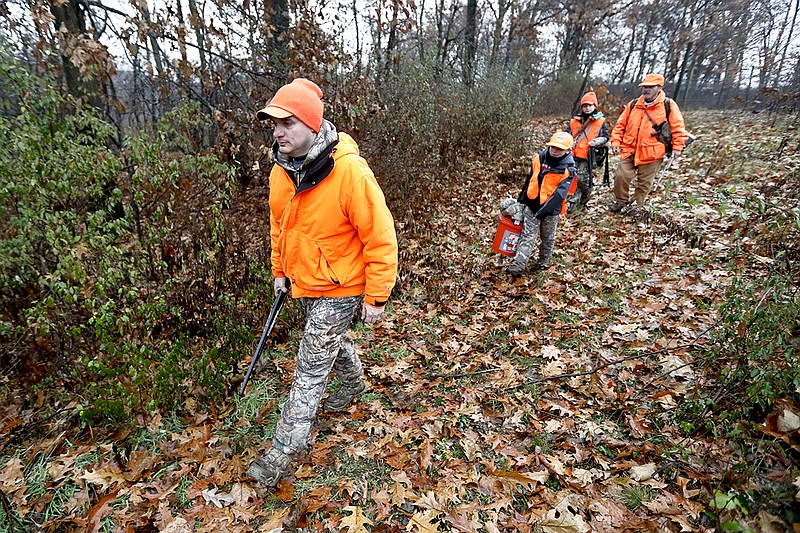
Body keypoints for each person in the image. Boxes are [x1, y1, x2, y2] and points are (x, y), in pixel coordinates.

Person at [248, 78, 398, 487]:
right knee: (331, 342)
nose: (277, 132)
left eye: (287, 123)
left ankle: (283, 452)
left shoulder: (349, 171)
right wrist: (279, 270)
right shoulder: (281, 171)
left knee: (310, 366)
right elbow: (279, 227)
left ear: (313, 125)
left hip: (343, 285)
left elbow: (380, 235)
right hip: (304, 281)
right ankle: (353, 384)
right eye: (273, 124)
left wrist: (377, 294)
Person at [609, 73, 689, 212]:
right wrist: (616, 141)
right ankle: (620, 202)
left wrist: (677, 146)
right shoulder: (633, 104)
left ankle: (636, 207)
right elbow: (620, 125)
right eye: (645, 86)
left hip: (652, 152)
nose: (646, 89)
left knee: (644, 184)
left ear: (659, 87)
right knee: (621, 176)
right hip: (630, 149)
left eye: (650, 87)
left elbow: (678, 127)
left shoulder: (668, 105)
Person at [503, 131, 577, 275]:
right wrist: (521, 201)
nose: (555, 151)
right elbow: (529, 180)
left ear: (568, 150)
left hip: (551, 210)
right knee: (527, 236)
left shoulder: (568, 169)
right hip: (532, 204)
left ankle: (543, 261)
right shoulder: (539, 158)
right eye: (553, 147)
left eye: (559, 149)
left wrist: (543, 213)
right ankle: (519, 265)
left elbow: (559, 195)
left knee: (547, 237)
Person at [566, 91, 608, 212]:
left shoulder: (600, 121)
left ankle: (585, 197)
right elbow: (567, 134)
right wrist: (569, 143)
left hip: (588, 156)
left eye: (590, 105)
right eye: (585, 106)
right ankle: (573, 201)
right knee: (570, 178)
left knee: (581, 179)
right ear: (581, 107)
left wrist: (597, 141)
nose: (587, 108)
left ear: (595, 106)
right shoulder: (574, 121)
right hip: (572, 154)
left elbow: (606, 136)